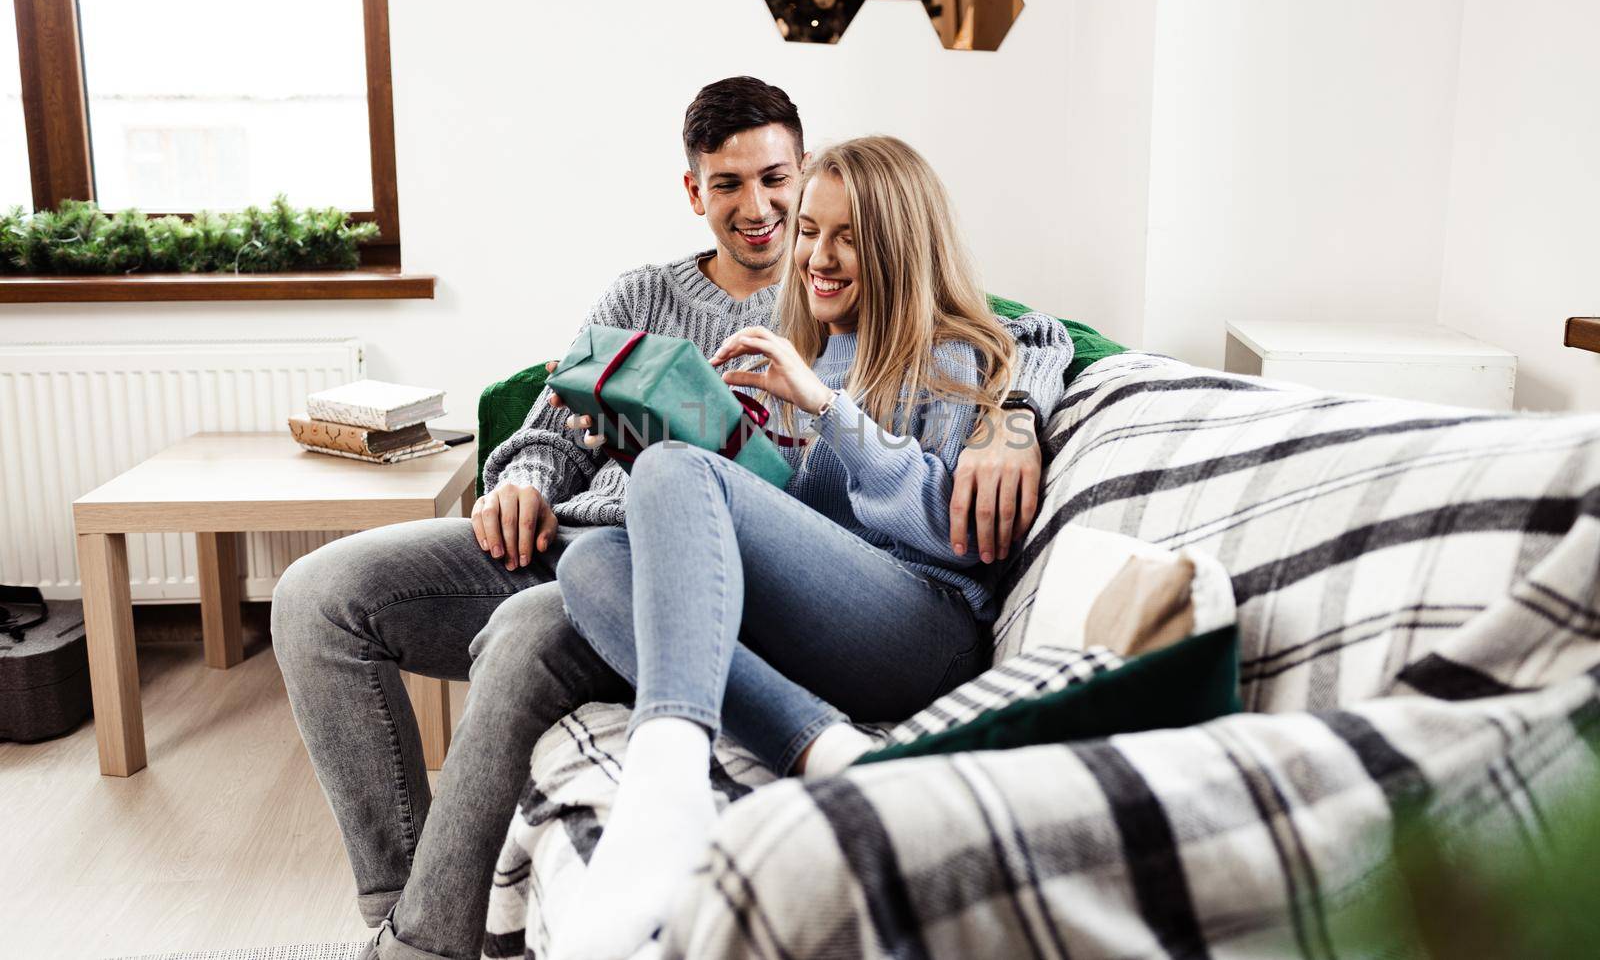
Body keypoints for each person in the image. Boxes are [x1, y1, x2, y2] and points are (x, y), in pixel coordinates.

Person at [270, 77, 1073, 960]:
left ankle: (572, 839)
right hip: (604, 539)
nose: (783, 225)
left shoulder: (910, 344)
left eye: (787, 192)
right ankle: (406, 903)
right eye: (741, 191)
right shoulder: (735, 318)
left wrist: (1009, 417)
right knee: (354, 591)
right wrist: (532, 477)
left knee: (601, 551)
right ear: (695, 191)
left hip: (872, 599)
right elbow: (571, 433)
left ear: (805, 175)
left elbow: (1036, 340)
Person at [550, 136, 1051, 960]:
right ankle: (827, 747)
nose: (816, 255)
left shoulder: (956, 349)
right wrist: (682, 448)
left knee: (680, 471)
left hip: (927, 625)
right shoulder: (818, 342)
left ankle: (664, 784)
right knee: (591, 561)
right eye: (810, 230)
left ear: (896, 243)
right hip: (844, 624)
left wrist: (826, 406)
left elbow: (949, 528)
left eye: (847, 236)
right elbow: (813, 519)